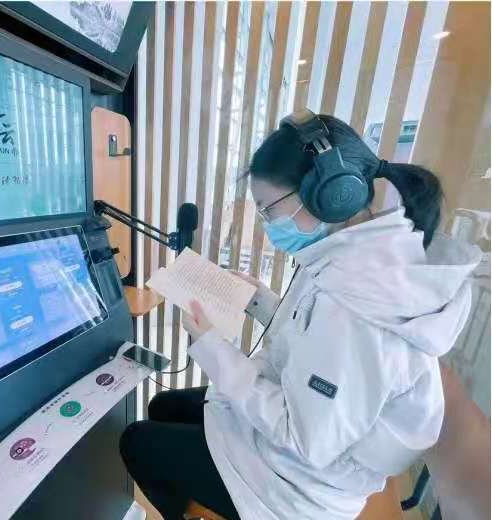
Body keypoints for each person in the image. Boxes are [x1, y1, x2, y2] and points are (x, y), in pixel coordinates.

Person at [119, 110, 481, 520]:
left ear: (330, 193)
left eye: (268, 209)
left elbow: (304, 437)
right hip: (304, 434)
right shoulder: (360, 254)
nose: (267, 224)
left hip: (302, 483)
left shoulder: (358, 307)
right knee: (165, 407)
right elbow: (315, 340)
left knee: (136, 441)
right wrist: (260, 301)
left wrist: (213, 348)